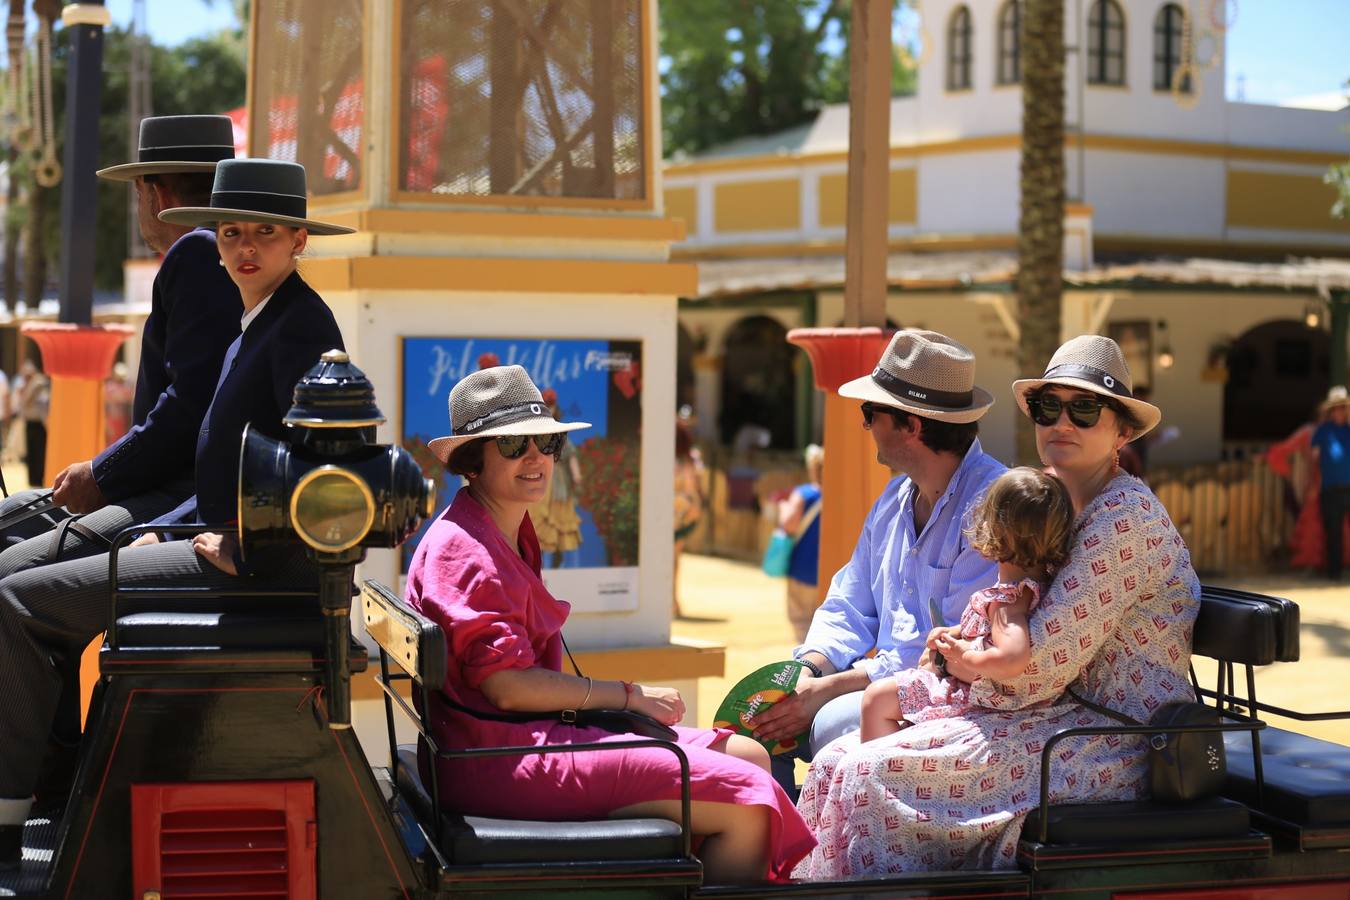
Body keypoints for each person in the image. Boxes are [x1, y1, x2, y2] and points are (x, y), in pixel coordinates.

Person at [0, 159, 352, 868]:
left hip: (261, 572)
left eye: (265, 232)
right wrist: (181, 521)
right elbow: (217, 462)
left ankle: (9, 822)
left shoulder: (302, 329)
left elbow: (328, 471)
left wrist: (246, 546)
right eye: (230, 232)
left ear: (299, 240)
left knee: (13, 597)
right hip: (212, 543)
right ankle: (57, 791)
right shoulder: (259, 319)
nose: (244, 247)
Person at [795, 334, 1200, 876]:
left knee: (871, 771)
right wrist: (949, 663)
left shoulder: (1123, 519)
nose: (1062, 422)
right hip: (1050, 716)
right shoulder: (1051, 500)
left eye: (1083, 409)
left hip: (1115, 739)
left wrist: (953, 663)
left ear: (1122, 430)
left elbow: (1036, 667)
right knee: (833, 762)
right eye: (1047, 406)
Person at [405, 365, 813, 883]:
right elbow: (507, 686)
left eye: (546, 444)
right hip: (500, 759)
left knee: (751, 755)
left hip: (519, 740)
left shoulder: (498, 527)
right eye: (513, 446)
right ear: (472, 459)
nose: (535, 458)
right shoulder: (466, 552)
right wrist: (629, 695)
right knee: (751, 802)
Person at [749, 329, 1005, 796]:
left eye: (871, 414)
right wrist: (809, 670)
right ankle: (784, 860)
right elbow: (850, 602)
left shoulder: (994, 506)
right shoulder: (895, 496)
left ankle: (819, 859)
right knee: (755, 725)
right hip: (890, 691)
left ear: (911, 425)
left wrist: (826, 690)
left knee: (829, 728)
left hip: (954, 702)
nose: (865, 426)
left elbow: (947, 649)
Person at [0, 115, 241, 566]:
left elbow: (187, 405)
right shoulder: (213, 254)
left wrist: (101, 472)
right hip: (167, 486)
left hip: (176, 496)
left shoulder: (195, 251)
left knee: (13, 576)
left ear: (154, 193)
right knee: (12, 517)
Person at [859, 467, 1074, 741]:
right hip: (972, 693)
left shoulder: (1008, 601)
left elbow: (1012, 657)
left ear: (996, 530)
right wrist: (959, 632)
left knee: (877, 699)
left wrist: (963, 655)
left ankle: (873, 771)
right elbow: (991, 633)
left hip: (968, 699)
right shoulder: (1032, 587)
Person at [778, 443, 823, 642]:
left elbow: (788, 525)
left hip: (802, 569)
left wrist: (782, 507)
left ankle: (806, 667)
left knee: (801, 623)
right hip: (830, 572)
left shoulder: (804, 494)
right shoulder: (842, 496)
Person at [1311, 385, 1350, 580]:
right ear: (1330, 411)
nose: (1339, 411)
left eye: (1343, 407)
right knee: (1333, 532)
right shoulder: (1323, 430)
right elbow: (1314, 458)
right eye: (1336, 408)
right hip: (1330, 489)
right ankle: (1334, 572)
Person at [672, 416, 705, 618]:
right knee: (674, 559)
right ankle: (673, 601)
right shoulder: (690, 459)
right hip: (683, 512)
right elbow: (694, 489)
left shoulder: (668, 457)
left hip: (669, 511)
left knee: (668, 559)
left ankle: (670, 602)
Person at [13, 360, 49, 489]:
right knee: (31, 453)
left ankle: (37, 481)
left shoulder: (38, 383)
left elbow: (31, 402)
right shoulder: (28, 384)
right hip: (30, 422)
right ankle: (33, 481)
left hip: (39, 424)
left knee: (38, 453)